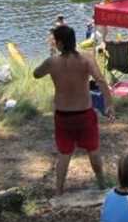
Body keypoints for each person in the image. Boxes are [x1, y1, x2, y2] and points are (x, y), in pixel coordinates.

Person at [34, 25, 114, 194]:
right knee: (93, 151)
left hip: (63, 116)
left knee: (64, 154)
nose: (54, 44)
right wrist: (109, 104)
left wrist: (49, 59)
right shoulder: (86, 59)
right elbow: (100, 80)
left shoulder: (52, 62)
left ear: (60, 43)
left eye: (55, 41)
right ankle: (102, 185)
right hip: (84, 113)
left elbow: (36, 73)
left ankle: (59, 191)